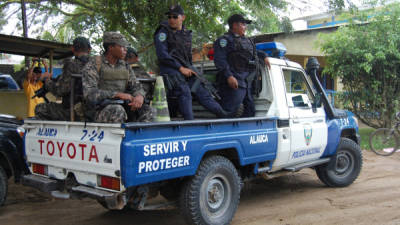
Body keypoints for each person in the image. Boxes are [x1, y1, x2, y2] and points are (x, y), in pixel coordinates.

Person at [154, 4, 228, 120]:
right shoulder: (163, 32)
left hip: (186, 68)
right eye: (169, 17)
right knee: (184, 92)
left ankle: (225, 116)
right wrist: (180, 68)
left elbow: (187, 57)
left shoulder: (186, 34)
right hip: (171, 70)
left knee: (202, 91)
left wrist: (193, 70)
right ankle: (190, 124)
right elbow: (162, 55)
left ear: (183, 17)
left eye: (175, 17)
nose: (171, 19)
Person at [82, 32, 152, 123]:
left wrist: (139, 96)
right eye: (122, 46)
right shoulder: (94, 64)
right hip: (98, 110)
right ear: (110, 48)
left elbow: (136, 86)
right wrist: (117, 94)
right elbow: (90, 94)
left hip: (123, 107)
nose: (125, 50)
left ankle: (140, 136)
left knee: (149, 111)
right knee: (117, 111)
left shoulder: (125, 66)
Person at [214, 14, 271, 117]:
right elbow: (219, 60)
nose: (245, 27)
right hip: (233, 82)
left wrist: (265, 56)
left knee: (250, 112)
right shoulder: (224, 40)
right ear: (235, 25)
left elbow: (254, 53)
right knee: (228, 112)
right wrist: (229, 76)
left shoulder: (247, 41)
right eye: (243, 24)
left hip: (246, 82)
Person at [35, 37, 92, 121]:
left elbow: (61, 90)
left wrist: (47, 81)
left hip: (76, 111)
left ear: (72, 49)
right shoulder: (96, 65)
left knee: (40, 108)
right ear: (89, 49)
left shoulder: (72, 64)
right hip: (94, 111)